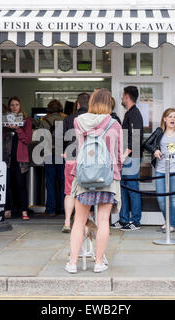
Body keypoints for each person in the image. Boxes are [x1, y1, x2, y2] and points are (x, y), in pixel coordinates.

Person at [65, 88, 124, 274]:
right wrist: (115, 170)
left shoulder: (79, 121)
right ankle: (98, 262)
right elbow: (119, 156)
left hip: (84, 177)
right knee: (104, 220)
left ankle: (73, 263)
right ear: (109, 103)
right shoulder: (114, 124)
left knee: (79, 220)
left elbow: (81, 148)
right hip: (107, 177)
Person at [111, 86, 142, 231]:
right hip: (127, 157)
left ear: (127, 96)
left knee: (132, 190)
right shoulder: (130, 113)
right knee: (123, 189)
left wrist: (124, 155)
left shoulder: (134, 114)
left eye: (123, 95)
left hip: (131, 158)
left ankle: (135, 221)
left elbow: (136, 138)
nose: (122, 98)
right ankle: (123, 220)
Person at [61, 92, 90, 233]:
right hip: (89, 160)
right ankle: (85, 222)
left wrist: (63, 151)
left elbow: (58, 137)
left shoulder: (68, 119)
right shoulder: (93, 120)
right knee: (88, 191)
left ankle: (67, 222)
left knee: (69, 192)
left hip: (71, 159)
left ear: (77, 105)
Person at [3, 96, 32, 220]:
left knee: (21, 185)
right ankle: (7, 209)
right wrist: (6, 128)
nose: (14, 107)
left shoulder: (26, 120)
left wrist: (18, 129)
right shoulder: (4, 120)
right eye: (12, 105)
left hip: (21, 159)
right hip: (7, 158)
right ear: (9, 107)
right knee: (7, 184)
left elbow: (27, 139)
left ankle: (24, 211)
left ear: (20, 106)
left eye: (17, 105)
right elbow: (0, 137)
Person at [39, 99, 66, 217]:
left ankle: (51, 209)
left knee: (50, 182)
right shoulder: (65, 119)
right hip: (63, 153)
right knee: (63, 182)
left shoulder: (44, 121)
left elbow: (40, 139)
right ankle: (63, 208)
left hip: (49, 154)